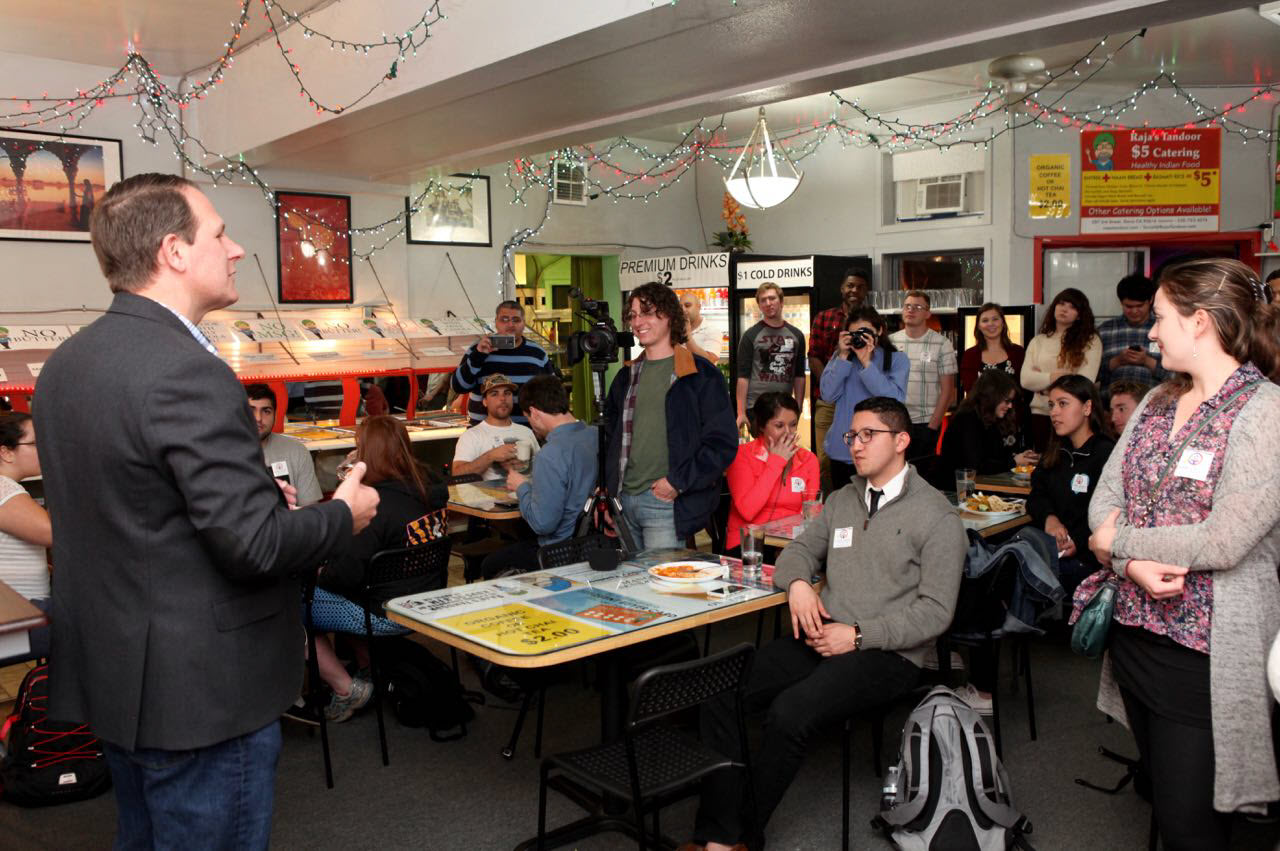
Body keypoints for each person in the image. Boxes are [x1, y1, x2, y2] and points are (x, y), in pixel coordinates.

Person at [34, 173, 378, 849]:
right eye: (220, 232)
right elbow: (250, 546)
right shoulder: (188, 369)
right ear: (174, 252)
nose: (238, 248)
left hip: (120, 675)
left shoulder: (66, 366)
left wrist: (252, 501)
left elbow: (138, 509)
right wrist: (344, 512)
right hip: (200, 690)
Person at [691, 396, 965, 851]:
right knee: (718, 689)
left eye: (867, 435)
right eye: (851, 436)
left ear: (901, 441)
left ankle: (739, 836)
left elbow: (936, 613)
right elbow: (797, 552)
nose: (855, 445)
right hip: (823, 635)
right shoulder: (842, 499)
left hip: (886, 653)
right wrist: (797, 583)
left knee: (789, 713)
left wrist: (857, 635)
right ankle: (718, 832)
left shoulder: (937, 516)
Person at [1086, 258, 1280, 849]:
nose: (1149, 331)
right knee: (1170, 808)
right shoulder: (1155, 402)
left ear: (1201, 322)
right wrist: (1128, 564)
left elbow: (1225, 539)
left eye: (1162, 317)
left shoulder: (1266, 411)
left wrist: (1117, 544)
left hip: (1207, 654)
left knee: (1193, 823)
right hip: (1137, 637)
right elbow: (1103, 502)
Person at [310, 416, 449, 722]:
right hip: (428, 600)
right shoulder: (432, 490)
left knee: (287, 608)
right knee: (353, 589)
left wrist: (320, 573)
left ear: (366, 453)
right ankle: (367, 666)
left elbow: (343, 576)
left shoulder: (374, 506)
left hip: (383, 612)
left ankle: (347, 689)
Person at [603, 281, 737, 550]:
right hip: (624, 500)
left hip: (665, 502)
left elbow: (722, 443)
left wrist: (677, 482)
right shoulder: (626, 376)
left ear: (668, 315)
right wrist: (608, 493)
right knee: (630, 590)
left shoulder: (700, 374)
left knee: (663, 589)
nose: (638, 321)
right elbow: (610, 438)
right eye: (633, 315)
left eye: (648, 312)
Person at [478, 375, 599, 578]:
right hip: (594, 542)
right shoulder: (595, 435)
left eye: (528, 418)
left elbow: (543, 523)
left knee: (490, 565)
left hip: (559, 551)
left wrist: (521, 486)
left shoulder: (550, 454)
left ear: (533, 413)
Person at [1025, 375, 1114, 597]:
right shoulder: (1056, 452)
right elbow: (1036, 495)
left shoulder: (1106, 453)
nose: (1054, 412)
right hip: (1052, 551)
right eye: (1051, 405)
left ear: (1087, 408)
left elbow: (1112, 512)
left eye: (1063, 404)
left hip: (1091, 560)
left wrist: (1079, 541)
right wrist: (1049, 519)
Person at [819, 307, 908, 491]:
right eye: (854, 334)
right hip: (843, 450)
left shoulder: (896, 359)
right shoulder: (841, 358)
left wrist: (867, 363)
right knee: (844, 512)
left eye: (865, 332)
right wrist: (843, 356)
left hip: (878, 453)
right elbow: (827, 394)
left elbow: (894, 401)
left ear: (879, 331)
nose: (859, 338)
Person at [724, 392, 820, 551]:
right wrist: (776, 462)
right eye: (779, 425)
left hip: (792, 544)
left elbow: (810, 514)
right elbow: (748, 511)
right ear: (762, 425)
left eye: (793, 424)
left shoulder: (808, 460)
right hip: (749, 542)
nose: (788, 432)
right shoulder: (742, 455)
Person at [808, 269, 870, 487]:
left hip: (858, 400)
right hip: (828, 401)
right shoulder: (824, 317)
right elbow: (814, 356)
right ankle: (828, 506)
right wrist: (830, 382)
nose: (854, 290)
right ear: (842, 288)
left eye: (860, 286)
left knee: (860, 455)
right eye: (850, 286)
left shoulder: (871, 320)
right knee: (825, 460)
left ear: (866, 291)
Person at [451, 300, 556, 426]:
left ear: (524, 324)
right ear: (496, 323)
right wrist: (478, 356)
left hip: (527, 432)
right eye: (504, 320)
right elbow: (458, 387)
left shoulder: (537, 353)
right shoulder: (478, 348)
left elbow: (552, 393)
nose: (510, 324)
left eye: (516, 320)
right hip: (483, 434)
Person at [1020, 287, 1101, 451]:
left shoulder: (1090, 340)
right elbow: (1026, 379)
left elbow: (1085, 382)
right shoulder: (1039, 340)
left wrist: (1043, 385)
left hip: (1073, 416)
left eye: (1072, 307)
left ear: (1080, 315)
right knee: (1043, 464)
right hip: (1040, 414)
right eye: (1061, 303)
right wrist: (1057, 376)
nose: (1064, 309)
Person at [0, 412, 52, 661]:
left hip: (19, 611)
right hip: (15, 616)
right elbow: (50, 532)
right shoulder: (3, 487)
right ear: (6, 452)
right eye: (34, 444)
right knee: (95, 626)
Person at [890, 290, 957, 461]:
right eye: (907, 306)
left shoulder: (942, 343)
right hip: (894, 422)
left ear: (928, 313)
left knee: (922, 477)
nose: (911, 310)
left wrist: (932, 426)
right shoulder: (890, 342)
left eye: (918, 307)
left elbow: (948, 391)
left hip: (925, 423)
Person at [938, 370, 1037, 482]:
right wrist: (1014, 462)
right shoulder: (967, 419)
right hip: (955, 489)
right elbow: (976, 466)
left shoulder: (989, 417)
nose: (1010, 406)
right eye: (1007, 401)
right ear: (992, 397)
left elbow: (995, 457)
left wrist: (1019, 457)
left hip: (976, 485)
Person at [735, 282, 807, 431]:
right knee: (764, 451)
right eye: (763, 300)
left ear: (781, 301)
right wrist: (741, 412)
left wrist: (798, 407)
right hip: (755, 407)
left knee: (781, 450)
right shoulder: (750, 335)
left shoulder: (797, 335)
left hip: (785, 407)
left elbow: (799, 375)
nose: (768, 303)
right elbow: (743, 377)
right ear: (759, 306)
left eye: (772, 298)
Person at [451, 374, 540, 480]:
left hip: (529, 495)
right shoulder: (471, 436)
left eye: (507, 393)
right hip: (489, 496)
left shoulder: (527, 432)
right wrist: (490, 456)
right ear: (485, 401)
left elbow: (545, 470)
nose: (502, 398)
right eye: (494, 394)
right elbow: (457, 475)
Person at [246, 383, 322, 506]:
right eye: (250, 410)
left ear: (275, 414)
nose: (258, 418)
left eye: (266, 411)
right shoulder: (221, 454)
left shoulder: (296, 451)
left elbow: (310, 510)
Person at [1097, 274, 1166, 388]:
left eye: (1139, 306)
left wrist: (1146, 361)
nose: (1134, 311)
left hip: (1153, 400)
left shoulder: (1164, 329)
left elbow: (1178, 376)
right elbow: (1091, 376)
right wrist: (1117, 361)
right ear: (1120, 302)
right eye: (1128, 306)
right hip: (1110, 401)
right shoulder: (1105, 331)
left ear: (1150, 300)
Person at [958, 302, 1025, 395]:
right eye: (985, 320)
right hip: (980, 409)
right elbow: (970, 391)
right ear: (979, 326)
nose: (991, 324)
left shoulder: (1018, 352)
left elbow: (1025, 390)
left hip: (1014, 409)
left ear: (1003, 323)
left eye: (995, 319)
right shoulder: (970, 355)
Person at [680, 290, 722, 364]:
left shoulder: (712, 330)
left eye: (687, 305)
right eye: (680, 307)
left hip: (703, 376)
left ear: (698, 307)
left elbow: (710, 360)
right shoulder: (676, 329)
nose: (683, 310)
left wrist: (688, 336)